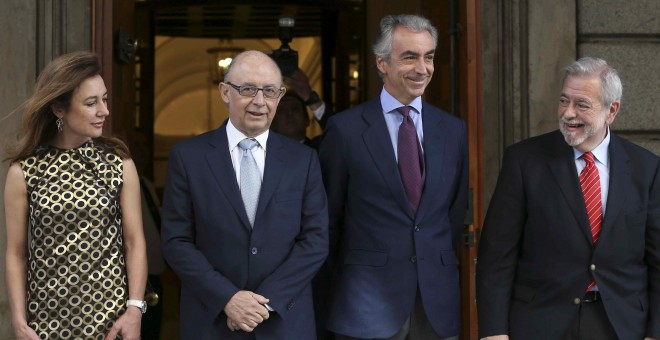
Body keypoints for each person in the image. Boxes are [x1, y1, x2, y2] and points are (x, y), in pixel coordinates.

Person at [476, 57, 660, 339]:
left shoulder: (646, 169)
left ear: (612, 110)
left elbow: (657, 260)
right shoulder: (524, 161)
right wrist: (494, 332)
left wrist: (654, 332)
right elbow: (497, 255)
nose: (567, 113)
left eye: (581, 104)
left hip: (621, 326)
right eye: (564, 101)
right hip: (540, 323)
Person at [319, 14, 469, 340]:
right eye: (410, 57)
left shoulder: (453, 130)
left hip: (436, 305)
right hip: (365, 306)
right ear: (382, 63)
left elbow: (453, 214)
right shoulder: (345, 130)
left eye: (428, 57)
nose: (423, 68)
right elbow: (328, 221)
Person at [160, 50, 328, 339]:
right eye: (248, 89)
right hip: (212, 321)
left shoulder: (303, 160)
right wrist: (228, 299)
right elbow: (177, 241)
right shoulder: (188, 157)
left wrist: (264, 303)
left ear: (280, 95)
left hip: (284, 322)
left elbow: (316, 240)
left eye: (270, 91)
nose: (260, 102)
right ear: (225, 92)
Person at [3, 51, 148, 340]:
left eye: (104, 99)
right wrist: (19, 322)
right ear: (59, 109)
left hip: (111, 323)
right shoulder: (24, 171)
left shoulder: (119, 163)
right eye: (91, 103)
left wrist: (134, 309)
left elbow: (134, 242)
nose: (103, 111)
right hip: (45, 322)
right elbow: (16, 253)